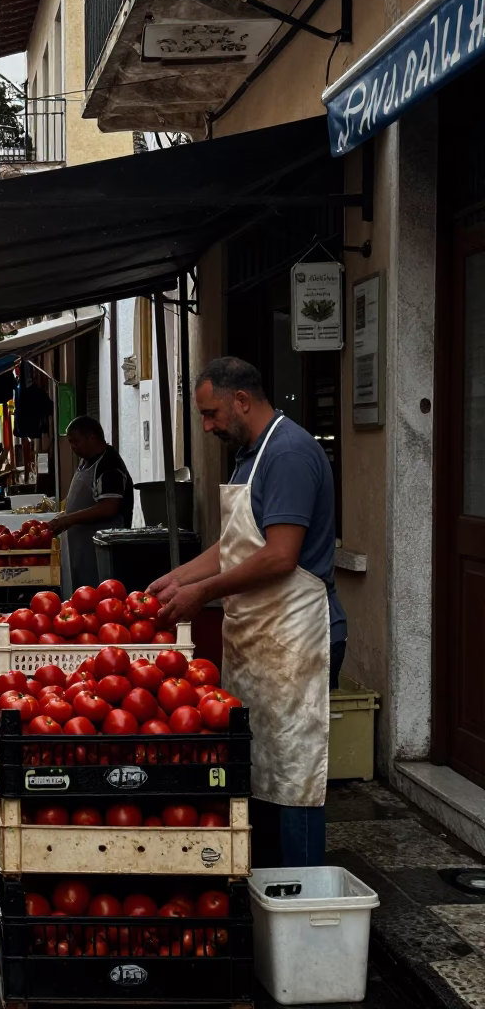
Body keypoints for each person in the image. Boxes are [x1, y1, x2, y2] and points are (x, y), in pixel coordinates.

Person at [148, 356, 345, 870]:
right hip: (261, 635)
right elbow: (237, 545)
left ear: (242, 399)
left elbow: (279, 555)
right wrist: (177, 579)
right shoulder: (249, 456)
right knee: (260, 767)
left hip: (298, 637)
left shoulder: (289, 455)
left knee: (293, 773)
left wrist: (203, 593)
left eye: (212, 414)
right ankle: (266, 883)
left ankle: (297, 896)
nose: (208, 426)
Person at [50, 416, 134, 591]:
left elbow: (109, 506)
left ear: (92, 437)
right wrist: (65, 516)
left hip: (101, 551)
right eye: (70, 442)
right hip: (82, 548)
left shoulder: (109, 465)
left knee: (100, 596)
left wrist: (69, 519)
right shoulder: (87, 461)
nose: (73, 447)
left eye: (76, 441)